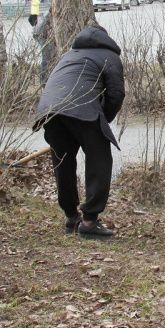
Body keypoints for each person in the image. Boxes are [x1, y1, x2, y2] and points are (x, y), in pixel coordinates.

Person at [34, 23, 125, 240]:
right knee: (99, 160)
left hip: (50, 111)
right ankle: (89, 221)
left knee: (62, 162)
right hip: (82, 108)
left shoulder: (69, 55)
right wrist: (103, 119)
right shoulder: (109, 56)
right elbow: (116, 94)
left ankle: (71, 216)